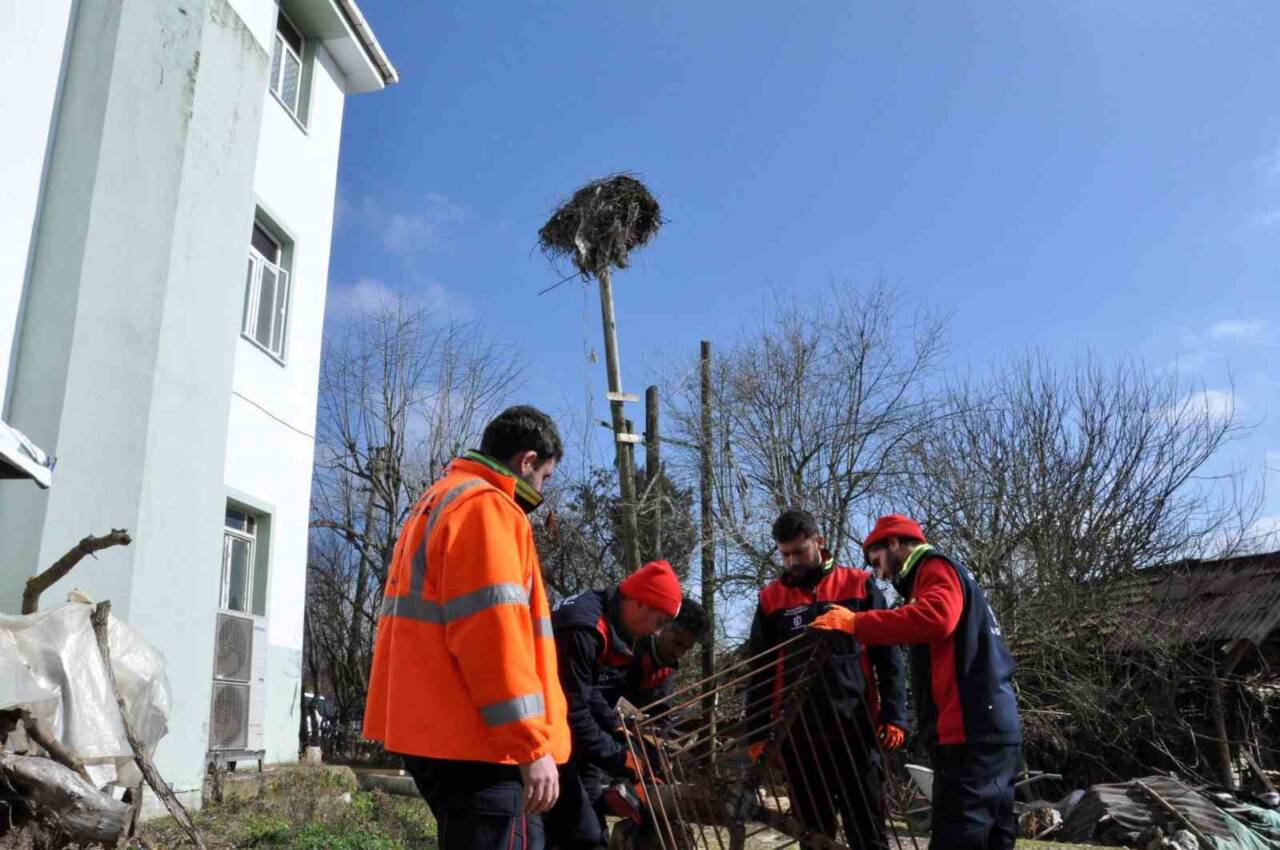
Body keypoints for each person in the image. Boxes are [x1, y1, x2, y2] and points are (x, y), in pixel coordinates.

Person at [364, 405, 570, 850]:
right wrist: (531, 746)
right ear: (527, 461)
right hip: (482, 746)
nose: (542, 490)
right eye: (545, 477)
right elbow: (493, 639)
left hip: (444, 736)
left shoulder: (438, 499)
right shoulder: (486, 509)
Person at [812, 514, 1022, 850]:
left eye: (877, 560)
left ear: (894, 543)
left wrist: (856, 623)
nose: (878, 572)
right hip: (993, 725)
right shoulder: (951, 575)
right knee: (994, 835)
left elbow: (936, 619)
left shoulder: (934, 567)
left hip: (968, 728)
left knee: (958, 836)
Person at [745, 509, 907, 850]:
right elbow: (758, 673)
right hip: (800, 738)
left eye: (798, 551)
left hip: (857, 732)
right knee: (813, 834)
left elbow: (889, 655)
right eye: (784, 554)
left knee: (869, 832)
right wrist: (757, 733)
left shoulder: (859, 585)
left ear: (819, 542)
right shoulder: (771, 599)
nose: (791, 561)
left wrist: (895, 715)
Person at [544, 560, 684, 849]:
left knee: (585, 832)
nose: (655, 633)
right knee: (585, 838)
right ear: (641, 604)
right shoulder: (584, 628)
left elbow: (587, 691)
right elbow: (575, 715)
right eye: (658, 622)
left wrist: (620, 729)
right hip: (547, 742)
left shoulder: (598, 613)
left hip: (560, 741)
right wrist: (623, 761)